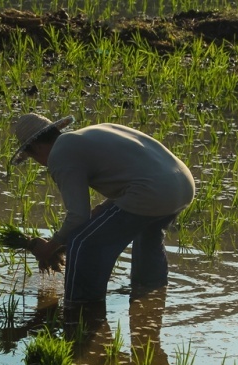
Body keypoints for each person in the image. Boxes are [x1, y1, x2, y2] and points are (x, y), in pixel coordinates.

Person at [10, 113, 196, 308]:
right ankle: (150, 301)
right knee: (147, 240)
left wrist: (50, 248)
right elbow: (135, 174)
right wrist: (103, 208)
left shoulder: (60, 153)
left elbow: (78, 217)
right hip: (182, 185)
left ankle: (80, 311)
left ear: (37, 147)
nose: (40, 164)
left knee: (84, 243)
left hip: (150, 192)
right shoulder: (91, 134)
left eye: (32, 157)